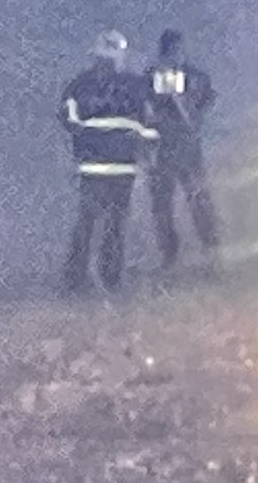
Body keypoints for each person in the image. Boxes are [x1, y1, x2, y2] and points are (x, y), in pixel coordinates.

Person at [61, 31, 158, 293]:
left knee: (86, 222)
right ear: (121, 55)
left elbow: (69, 120)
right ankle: (111, 277)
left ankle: (75, 279)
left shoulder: (79, 85)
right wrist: (148, 155)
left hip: (91, 166)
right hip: (123, 167)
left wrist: (87, 141)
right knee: (116, 225)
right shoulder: (136, 86)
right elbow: (150, 125)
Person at [145, 29, 220, 269]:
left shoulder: (196, 77)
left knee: (198, 201)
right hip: (163, 149)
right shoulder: (151, 77)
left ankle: (211, 251)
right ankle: (169, 254)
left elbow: (206, 104)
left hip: (188, 148)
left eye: (178, 50)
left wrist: (185, 105)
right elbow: (145, 110)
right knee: (162, 205)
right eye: (172, 50)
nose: (176, 55)